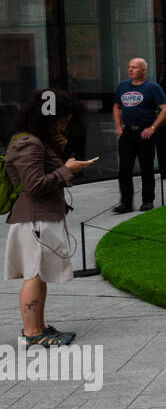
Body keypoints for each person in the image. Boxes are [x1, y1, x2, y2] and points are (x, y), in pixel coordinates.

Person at [5, 89, 94, 347]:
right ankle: (32, 333)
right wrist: (67, 170)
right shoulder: (28, 143)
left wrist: (60, 153)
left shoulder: (37, 141)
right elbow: (34, 185)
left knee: (39, 273)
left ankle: (39, 327)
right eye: (62, 120)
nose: (65, 125)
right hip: (35, 218)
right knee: (33, 273)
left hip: (42, 216)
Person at [111, 56, 166, 214]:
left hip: (145, 133)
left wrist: (153, 127)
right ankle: (125, 203)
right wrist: (118, 125)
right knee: (124, 169)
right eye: (129, 67)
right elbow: (117, 106)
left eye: (135, 67)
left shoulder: (152, 87)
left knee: (146, 168)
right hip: (128, 132)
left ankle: (148, 201)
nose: (130, 70)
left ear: (143, 70)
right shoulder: (123, 86)